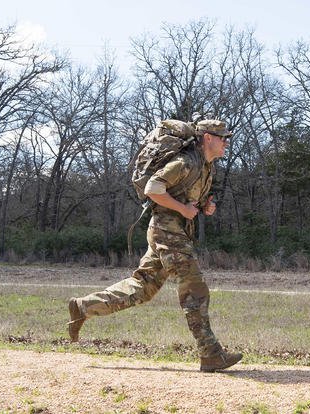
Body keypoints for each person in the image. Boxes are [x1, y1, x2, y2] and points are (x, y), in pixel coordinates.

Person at [67, 119, 242, 372]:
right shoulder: (185, 162)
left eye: (227, 137)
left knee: (143, 288)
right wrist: (183, 208)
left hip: (172, 230)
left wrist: (204, 207)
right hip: (166, 229)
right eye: (222, 137)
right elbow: (153, 188)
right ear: (207, 138)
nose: (226, 142)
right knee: (194, 285)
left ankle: (82, 306)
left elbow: (190, 199)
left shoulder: (206, 167)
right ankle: (210, 353)